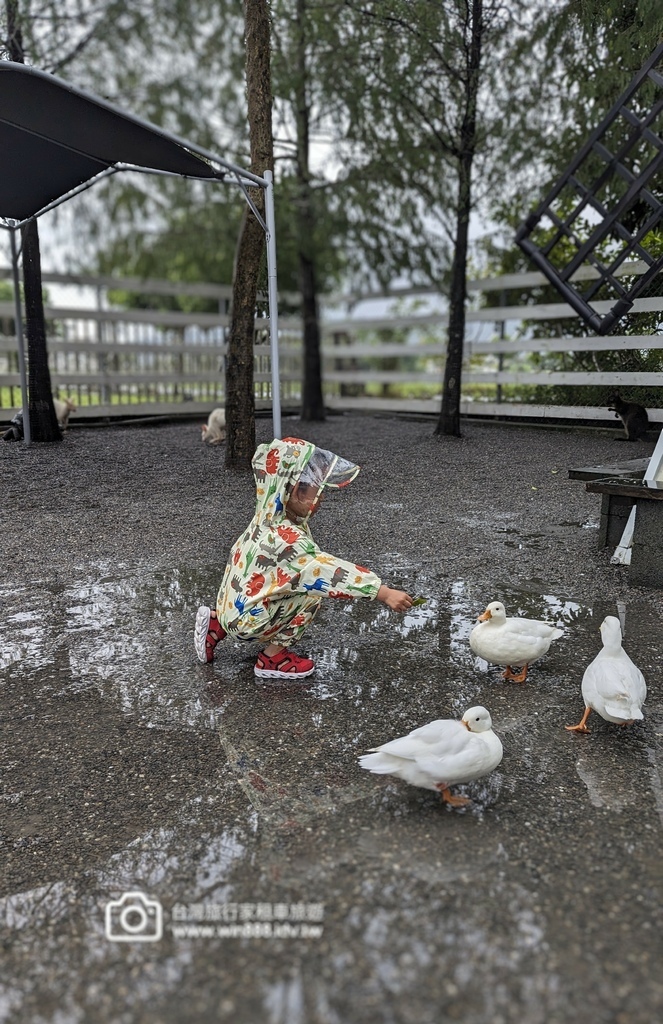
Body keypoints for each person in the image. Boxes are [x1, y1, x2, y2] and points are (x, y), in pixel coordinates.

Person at [194, 436, 413, 678]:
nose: (321, 497)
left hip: (230, 609)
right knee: (312, 591)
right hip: (247, 623)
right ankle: (272, 659)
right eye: (317, 490)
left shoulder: (264, 519)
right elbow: (328, 571)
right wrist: (382, 592)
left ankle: (216, 625)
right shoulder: (289, 540)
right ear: (295, 491)